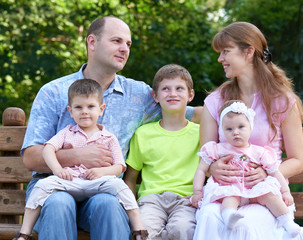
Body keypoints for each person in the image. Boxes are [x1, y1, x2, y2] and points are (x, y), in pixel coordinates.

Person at [21, 16, 201, 240]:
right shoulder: (54, 91)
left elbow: (195, 114)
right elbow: (30, 157)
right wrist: (78, 155)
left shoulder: (139, 95)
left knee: (108, 204)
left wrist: (243, 95)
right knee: (60, 203)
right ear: (92, 42)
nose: (124, 48)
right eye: (116, 41)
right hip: (55, 187)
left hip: (103, 187)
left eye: (128, 44)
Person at [193, 22, 303, 240]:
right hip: (225, 193)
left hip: (265, 193)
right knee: (208, 216)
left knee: (244, 227)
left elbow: (297, 160)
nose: (220, 59)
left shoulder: (282, 101)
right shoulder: (215, 101)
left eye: (225, 52)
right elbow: (206, 155)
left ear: (248, 52)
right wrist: (215, 168)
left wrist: (267, 172)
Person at [14, 79, 148, 240]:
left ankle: (139, 231)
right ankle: (23, 233)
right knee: (43, 188)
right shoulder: (67, 132)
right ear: (70, 112)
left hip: (97, 182)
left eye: (90, 107)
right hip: (69, 181)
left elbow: (119, 165)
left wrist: (102, 171)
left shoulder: (108, 137)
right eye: (79, 107)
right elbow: (48, 149)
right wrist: (57, 169)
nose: (85, 111)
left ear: (101, 109)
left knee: (120, 189)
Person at [191, 100, 301, 237]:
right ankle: (229, 216)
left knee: (270, 196)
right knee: (229, 198)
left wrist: (285, 192)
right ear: (222, 131)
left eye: (241, 127)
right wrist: (197, 192)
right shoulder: (217, 149)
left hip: (255, 190)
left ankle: (287, 222)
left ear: (250, 127)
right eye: (229, 129)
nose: (235, 133)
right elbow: (201, 169)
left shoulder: (259, 152)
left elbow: (275, 172)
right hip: (231, 188)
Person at [123, 64, 200, 240]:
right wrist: (132, 209)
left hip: (186, 201)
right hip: (151, 201)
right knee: (143, 232)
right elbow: (130, 179)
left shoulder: (199, 134)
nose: (172, 93)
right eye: (166, 89)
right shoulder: (143, 134)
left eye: (179, 88)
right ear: (155, 96)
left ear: (190, 95)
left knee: (184, 230)